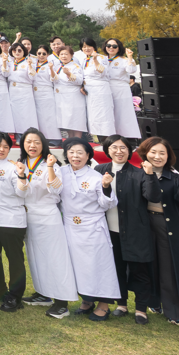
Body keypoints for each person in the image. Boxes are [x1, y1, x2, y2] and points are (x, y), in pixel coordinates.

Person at [15, 129, 80, 318]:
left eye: (36, 142)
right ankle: (43, 293)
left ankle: (62, 302)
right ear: (23, 145)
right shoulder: (21, 164)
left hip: (48, 217)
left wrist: (51, 167)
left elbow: (56, 190)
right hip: (28, 216)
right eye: (28, 142)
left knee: (55, 259)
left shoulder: (49, 164)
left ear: (43, 144)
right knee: (36, 258)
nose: (32, 146)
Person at [95, 135, 155, 323]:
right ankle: (121, 304)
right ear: (107, 150)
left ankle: (141, 309)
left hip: (135, 231)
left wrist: (150, 175)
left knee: (139, 270)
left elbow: (152, 196)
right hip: (109, 232)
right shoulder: (99, 171)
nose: (119, 151)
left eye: (123, 148)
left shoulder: (139, 173)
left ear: (129, 151)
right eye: (114, 147)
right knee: (116, 269)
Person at [58, 137, 119, 321]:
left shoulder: (95, 177)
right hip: (70, 227)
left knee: (98, 265)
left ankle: (104, 305)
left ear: (88, 155)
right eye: (71, 152)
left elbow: (107, 203)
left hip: (92, 228)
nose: (75, 156)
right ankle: (87, 300)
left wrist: (106, 186)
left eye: (80, 153)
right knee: (78, 266)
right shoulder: (60, 173)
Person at [138, 137, 179, 325]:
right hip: (144, 225)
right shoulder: (138, 174)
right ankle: (154, 303)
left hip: (166, 225)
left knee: (169, 268)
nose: (157, 156)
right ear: (145, 153)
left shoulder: (175, 176)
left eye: (162, 152)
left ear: (169, 155)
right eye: (153, 152)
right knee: (149, 266)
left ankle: (174, 311)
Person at [0, 133, 27, 312]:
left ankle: (15, 296)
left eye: (6, 147)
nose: (1, 149)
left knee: (15, 260)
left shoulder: (13, 167)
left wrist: (22, 176)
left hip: (11, 221)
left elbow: (22, 193)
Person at [104, 39, 140, 139]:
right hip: (106, 89)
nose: (111, 48)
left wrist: (130, 57)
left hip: (120, 89)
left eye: (114, 46)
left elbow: (131, 69)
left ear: (119, 48)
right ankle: (110, 138)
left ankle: (127, 138)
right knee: (109, 114)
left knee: (123, 115)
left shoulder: (124, 60)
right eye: (109, 45)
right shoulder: (102, 59)